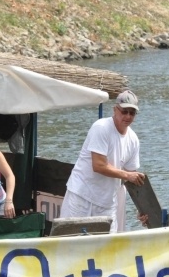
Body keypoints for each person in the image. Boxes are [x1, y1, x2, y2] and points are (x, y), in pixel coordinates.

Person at [60, 90, 146, 233]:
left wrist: (141, 210)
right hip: (82, 197)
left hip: (107, 203)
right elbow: (98, 165)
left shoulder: (133, 140)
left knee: (106, 249)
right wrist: (126, 175)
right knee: (70, 242)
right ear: (115, 109)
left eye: (132, 113)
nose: (128, 116)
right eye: (124, 111)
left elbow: (133, 179)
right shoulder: (101, 127)